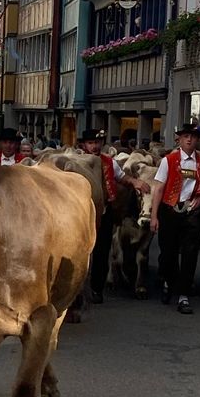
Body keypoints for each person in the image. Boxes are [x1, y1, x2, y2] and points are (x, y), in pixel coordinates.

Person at [150, 121, 200, 315]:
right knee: (168, 253)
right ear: (179, 139)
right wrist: (154, 216)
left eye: (193, 136)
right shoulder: (169, 160)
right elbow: (158, 189)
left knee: (190, 254)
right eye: (185, 136)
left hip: (192, 212)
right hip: (170, 210)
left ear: (198, 140)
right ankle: (167, 280)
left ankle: (183, 295)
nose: (189, 139)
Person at [81, 128, 151, 305]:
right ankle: (78, 290)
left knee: (102, 252)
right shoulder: (77, 162)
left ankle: (97, 289)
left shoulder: (108, 162)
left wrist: (135, 181)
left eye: (97, 142)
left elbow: (121, 178)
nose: (95, 146)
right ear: (84, 145)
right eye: (91, 143)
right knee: (80, 254)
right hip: (81, 215)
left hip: (104, 212)